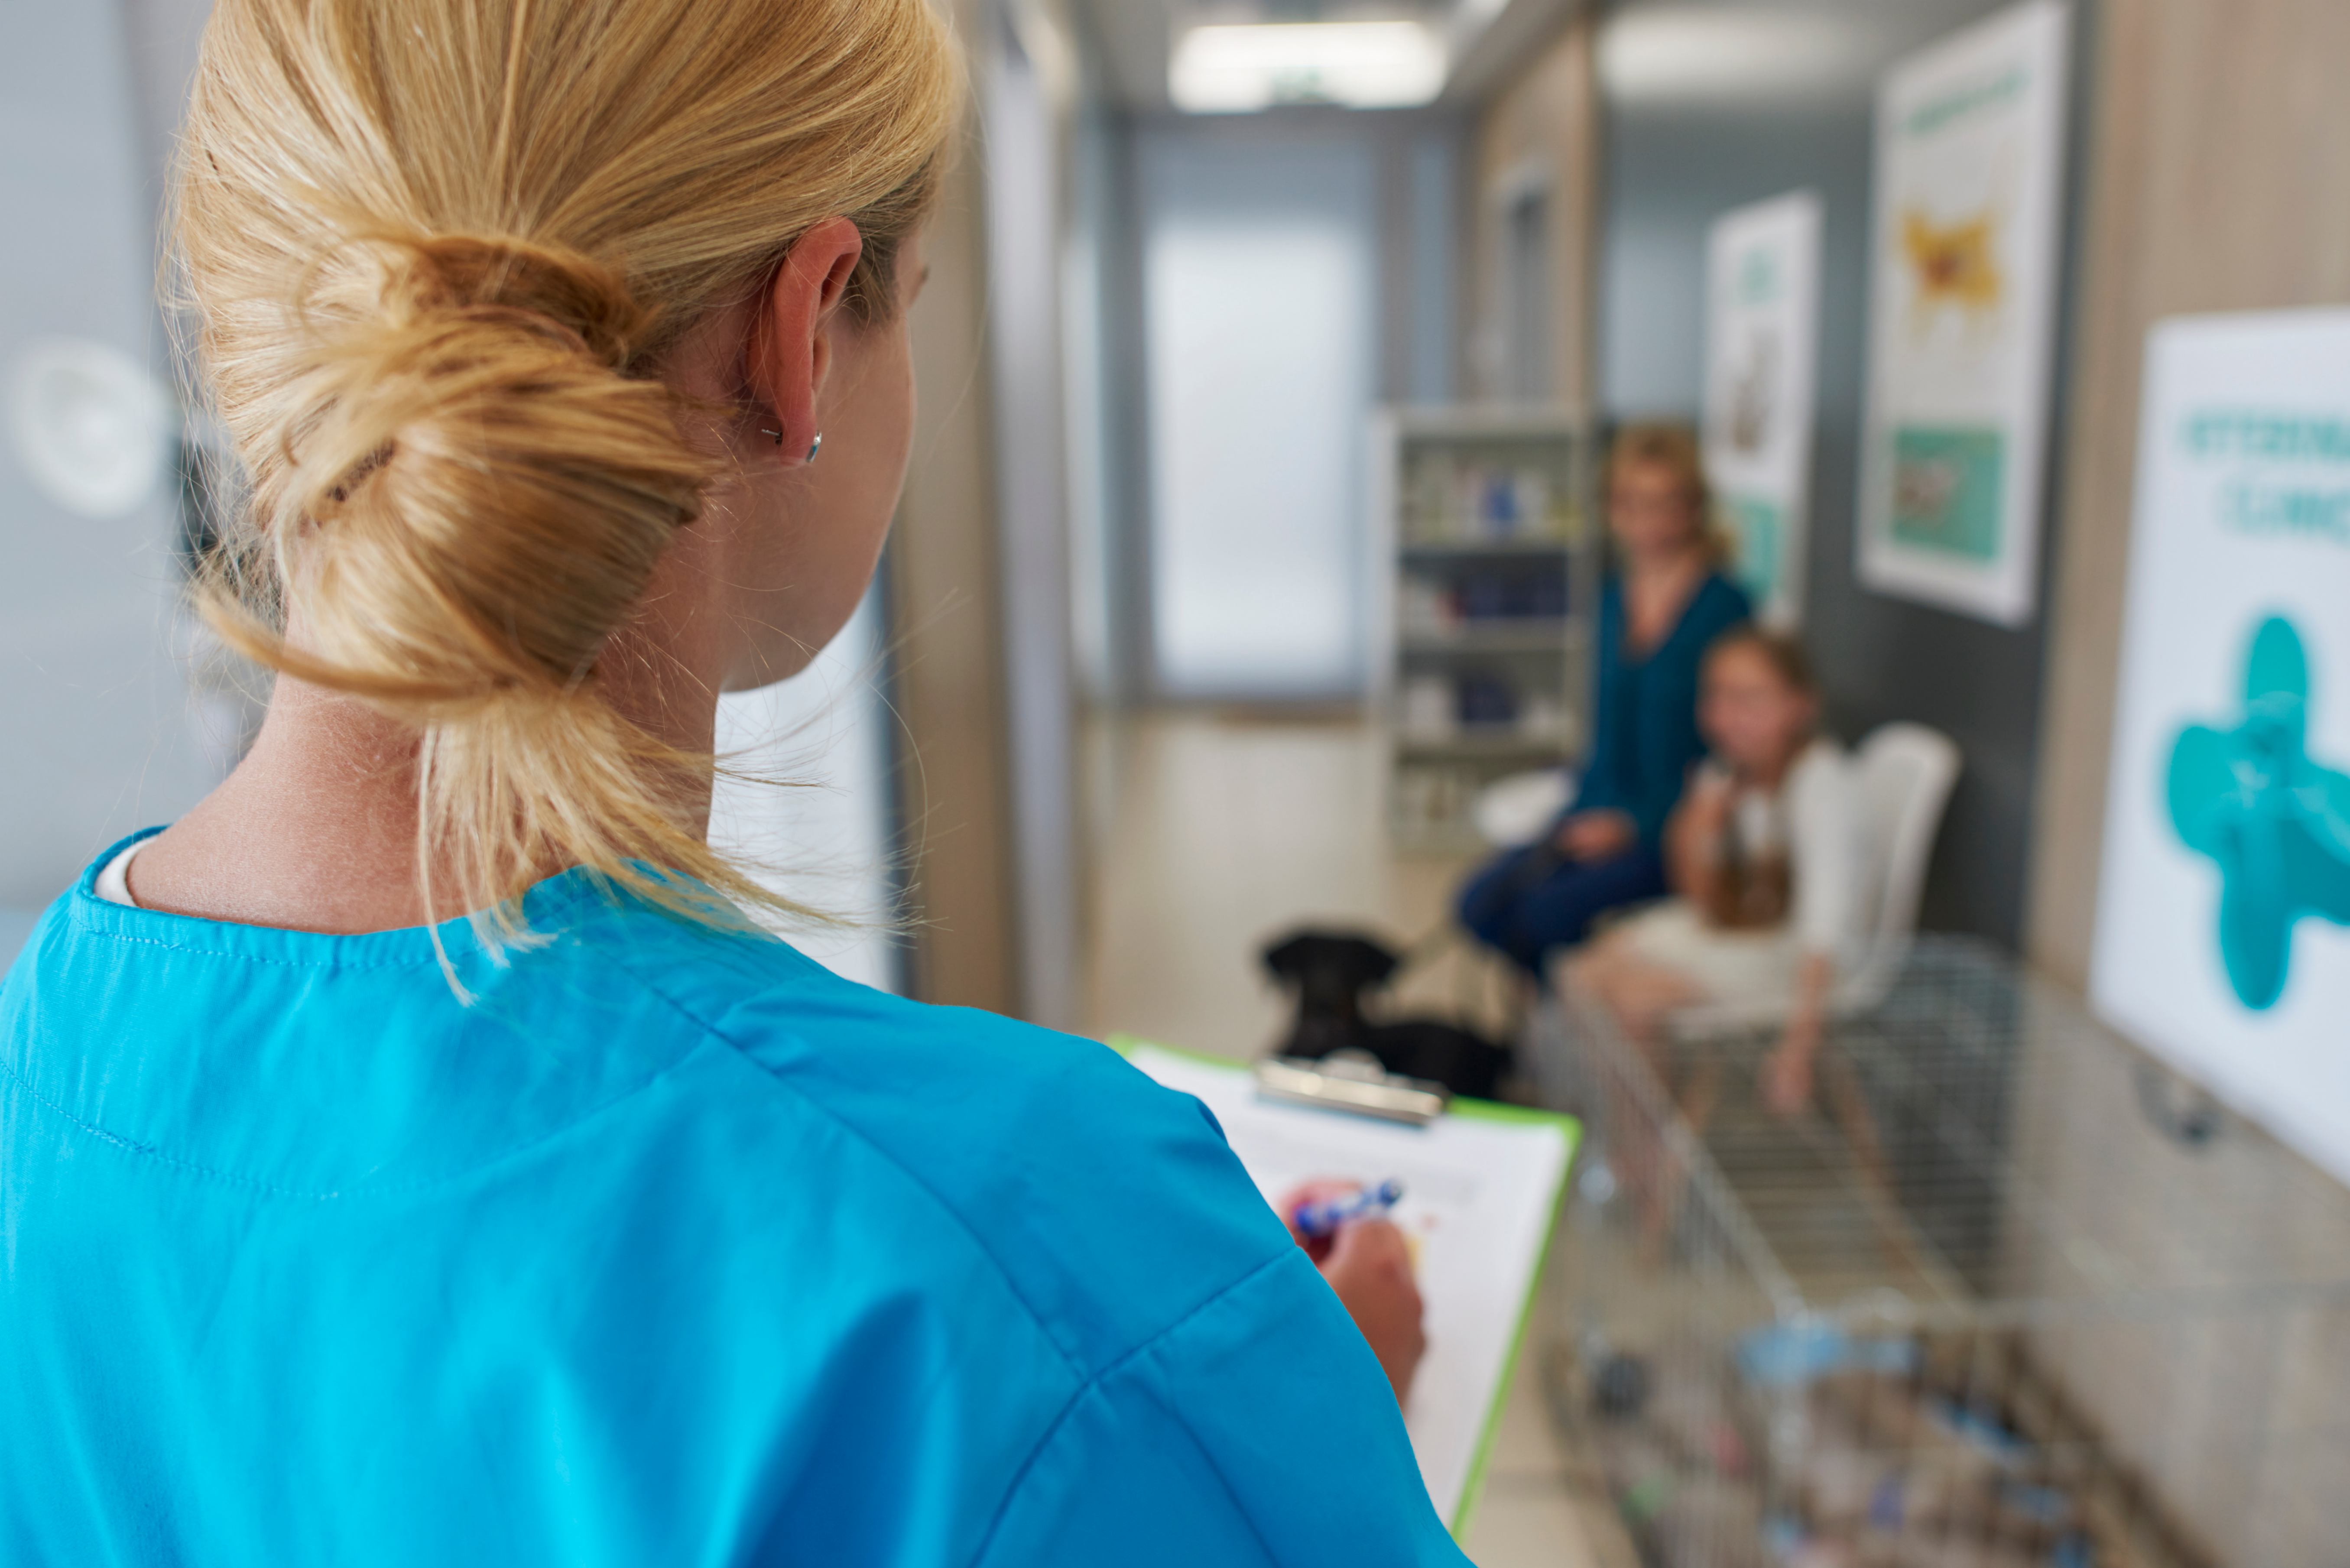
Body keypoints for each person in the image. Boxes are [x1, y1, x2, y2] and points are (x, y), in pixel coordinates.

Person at [0, 2, 1458, 1563]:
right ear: (803, 333)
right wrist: (1254, 1440)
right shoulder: (1039, 1281)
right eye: (912, 301)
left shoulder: (50, 1049)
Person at [1457, 425, 1752, 980]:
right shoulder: (1615, 598)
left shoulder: (1724, 607)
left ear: (1695, 508)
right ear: (1612, 509)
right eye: (1632, 504)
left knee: (1543, 915)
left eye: (1666, 504)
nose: (1648, 522)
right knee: (1480, 904)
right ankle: (1562, 1018)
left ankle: (1578, 1032)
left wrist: (1634, 826)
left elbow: (1734, 755)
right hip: (1598, 807)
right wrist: (1582, 814)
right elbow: (1607, 734)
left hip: (1675, 832)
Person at [1568, 629, 1864, 1120]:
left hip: (1800, 960)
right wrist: (1699, 824)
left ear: (1800, 705)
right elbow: (1701, 898)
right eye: (1717, 696)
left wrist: (1799, 1046)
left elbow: (1823, 932)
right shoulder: (1726, 773)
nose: (1727, 716)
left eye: (1749, 698)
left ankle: (1646, 1149)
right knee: (1583, 972)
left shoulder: (1822, 785)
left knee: (1634, 1001)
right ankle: (1617, 1124)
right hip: (1742, 930)